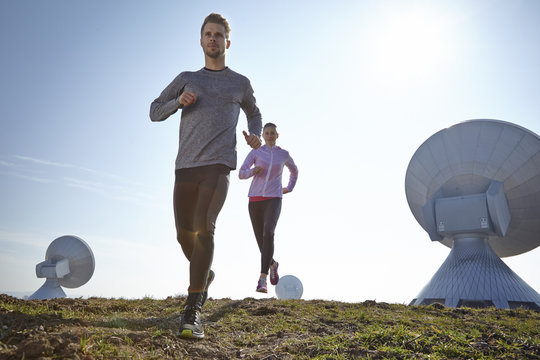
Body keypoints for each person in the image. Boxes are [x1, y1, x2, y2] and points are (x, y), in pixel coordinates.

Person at [149, 13, 262, 339]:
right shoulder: (186, 78)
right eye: (207, 34)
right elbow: (154, 110)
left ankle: (192, 310)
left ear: (228, 42)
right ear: (201, 41)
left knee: (204, 227)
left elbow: (255, 113)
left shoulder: (240, 83)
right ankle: (205, 274)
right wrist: (177, 102)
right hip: (185, 166)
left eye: (218, 34)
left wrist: (254, 135)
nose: (213, 39)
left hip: (218, 165)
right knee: (184, 236)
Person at [238, 123, 298, 294]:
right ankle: (272, 264)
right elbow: (241, 173)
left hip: (274, 198)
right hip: (255, 200)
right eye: (267, 133)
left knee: (268, 234)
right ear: (263, 135)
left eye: (273, 133)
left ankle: (262, 280)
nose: (270, 135)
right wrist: (252, 171)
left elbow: (294, 171)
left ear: (277, 135)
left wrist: (289, 187)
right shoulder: (256, 152)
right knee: (261, 241)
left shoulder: (283, 154)